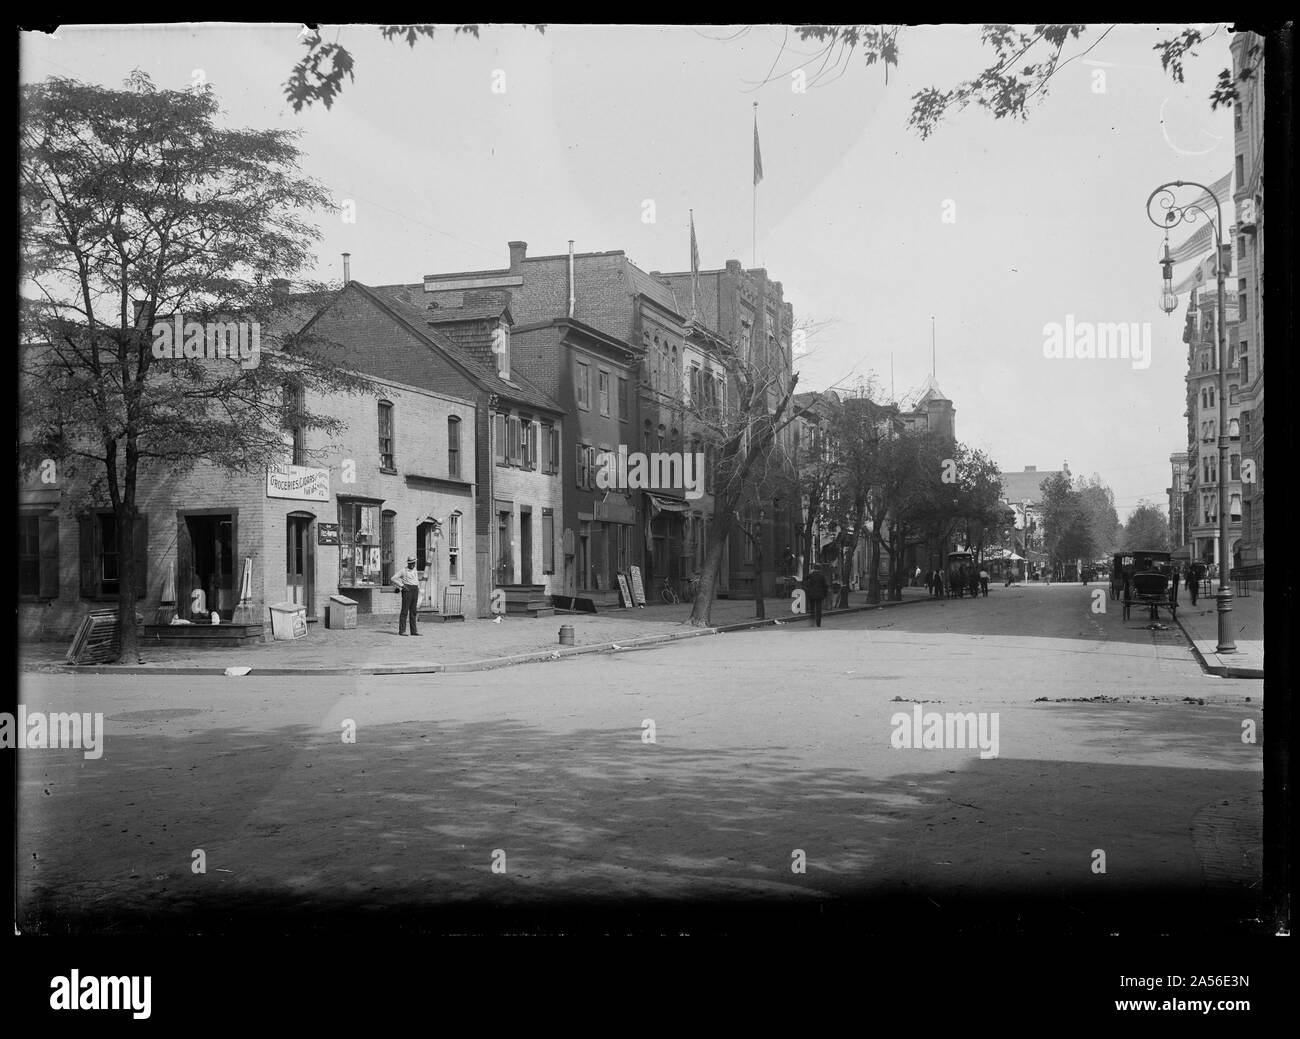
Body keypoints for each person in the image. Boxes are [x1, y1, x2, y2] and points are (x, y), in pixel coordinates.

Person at [393, 555, 422, 635]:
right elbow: (393, 578)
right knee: (404, 611)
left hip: (415, 590)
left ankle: (414, 631)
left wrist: (418, 589)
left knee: (413, 611)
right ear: (408, 563)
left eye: (413, 563)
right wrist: (402, 585)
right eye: (410, 563)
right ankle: (402, 630)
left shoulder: (415, 570)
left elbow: (416, 580)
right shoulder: (403, 571)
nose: (412, 565)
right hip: (407, 590)